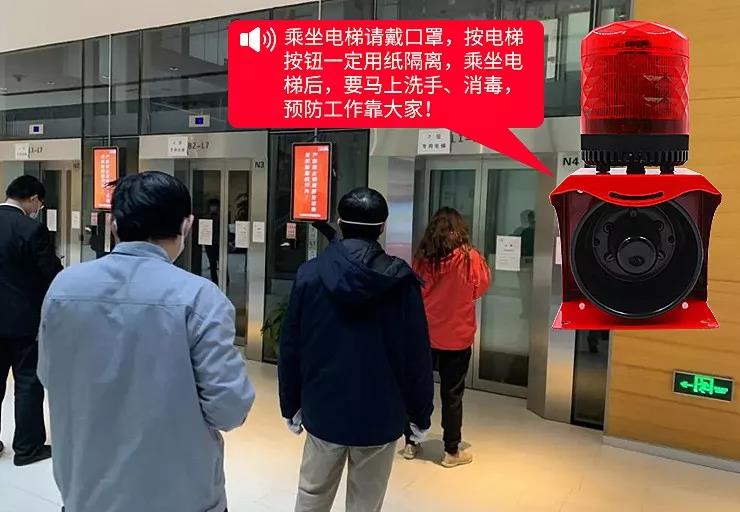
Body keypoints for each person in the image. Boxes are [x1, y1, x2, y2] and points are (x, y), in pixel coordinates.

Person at [38, 171, 255, 512]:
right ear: (186, 226)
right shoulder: (200, 298)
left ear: (113, 225)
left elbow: (48, 375)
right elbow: (229, 408)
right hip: (182, 496)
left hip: (87, 493)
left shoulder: (64, 287)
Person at [279, 188, 434, 512]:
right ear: (383, 226)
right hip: (380, 415)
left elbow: (291, 345)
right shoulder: (401, 282)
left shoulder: (310, 274)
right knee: (366, 503)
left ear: (339, 222)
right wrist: (420, 413)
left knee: (312, 495)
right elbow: (417, 355)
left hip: (323, 409)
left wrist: (290, 403)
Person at [405, 207, 491, 468]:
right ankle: (451, 451)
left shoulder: (422, 258)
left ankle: (411, 442)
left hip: (424, 336)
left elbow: (413, 291)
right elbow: (480, 288)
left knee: (418, 390)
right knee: (452, 395)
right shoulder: (470, 258)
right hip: (457, 337)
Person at [0, 175, 62, 465]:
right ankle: (27, 448)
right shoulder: (31, 229)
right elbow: (51, 274)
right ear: (34, 199)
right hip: (23, 322)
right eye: (39, 203)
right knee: (27, 381)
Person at [204, 198, 220, 284]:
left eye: (215, 206)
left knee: (222, 261)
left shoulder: (221, 218)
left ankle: (225, 280)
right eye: (212, 206)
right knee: (212, 263)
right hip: (210, 243)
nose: (213, 208)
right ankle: (215, 280)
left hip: (219, 243)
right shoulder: (207, 217)